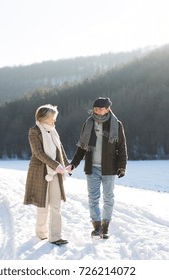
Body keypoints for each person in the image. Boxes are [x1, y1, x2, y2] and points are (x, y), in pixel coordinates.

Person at [70, 97, 127, 239]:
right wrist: (73, 164)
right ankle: (96, 227)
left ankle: (105, 227)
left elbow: (122, 147)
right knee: (93, 199)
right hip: (92, 167)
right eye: (95, 108)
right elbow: (81, 147)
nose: (97, 110)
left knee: (108, 198)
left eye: (100, 108)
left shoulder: (116, 124)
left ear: (108, 109)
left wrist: (122, 166)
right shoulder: (88, 123)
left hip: (110, 168)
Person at [24, 104, 72, 246]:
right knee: (43, 205)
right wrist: (56, 166)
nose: (54, 121)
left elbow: (60, 150)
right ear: (44, 118)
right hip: (40, 172)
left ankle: (55, 237)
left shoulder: (53, 131)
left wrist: (66, 164)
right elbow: (38, 153)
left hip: (55, 173)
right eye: (53, 118)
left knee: (56, 205)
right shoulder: (34, 131)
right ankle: (41, 233)